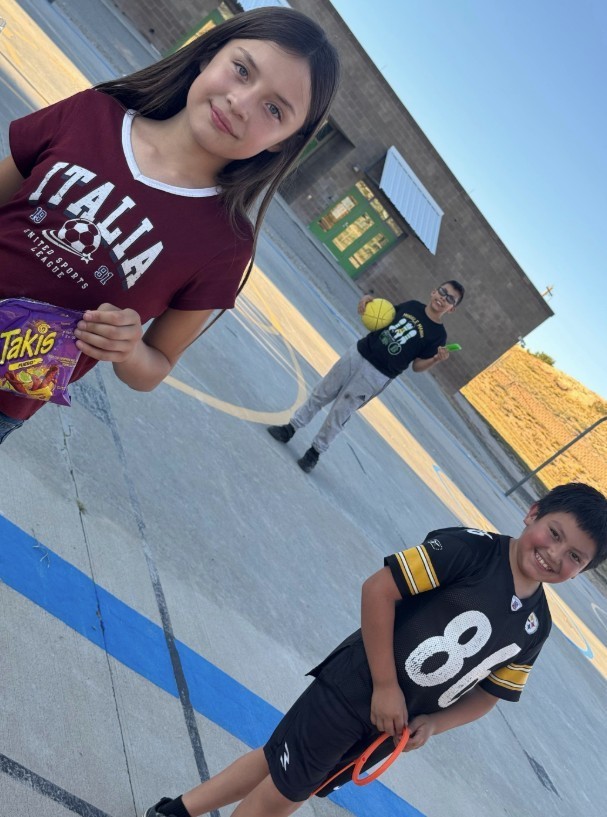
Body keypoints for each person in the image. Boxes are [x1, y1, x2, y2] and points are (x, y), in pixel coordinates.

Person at [143, 481, 607, 817]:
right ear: (533, 513)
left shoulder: (536, 624)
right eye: (555, 533)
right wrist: (385, 685)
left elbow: (490, 694)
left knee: (278, 761)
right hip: (353, 688)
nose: (555, 555)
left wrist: (434, 723)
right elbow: (378, 590)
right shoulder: (470, 550)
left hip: (388, 727)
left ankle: (176, 812)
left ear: (582, 571)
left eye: (575, 557)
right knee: (285, 794)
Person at [0, 7, 340, 443]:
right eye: (241, 70)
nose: (241, 103)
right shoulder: (90, 114)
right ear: (208, 55)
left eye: (273, 109)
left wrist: (129, 349)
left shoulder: (225, 244)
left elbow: (154, 366)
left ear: (285, 144)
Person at [268, 281, 464, 472]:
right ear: (433, 291)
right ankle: (290, 428)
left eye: (449, 299)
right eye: (442, 291)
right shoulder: (411, 306)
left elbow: (417, 366)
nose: (442, 298)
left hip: (377, 375)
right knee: (322, 392)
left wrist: (435, 359)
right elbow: (382, 315)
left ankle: (314, 453)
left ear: (452, 309)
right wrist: (369, 302)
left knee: (341, 412)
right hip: (359, 353)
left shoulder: (438, 335)